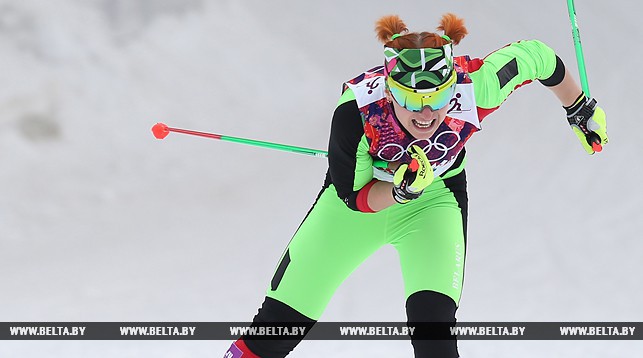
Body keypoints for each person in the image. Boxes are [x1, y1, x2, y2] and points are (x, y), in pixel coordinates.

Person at [223, 13, 608, 358]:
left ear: (453, 85)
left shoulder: (477, 87)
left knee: (434, 334)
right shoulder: (356, 112)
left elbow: (538, 57)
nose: (427, 114)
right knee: (275, 330)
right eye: (411, 100)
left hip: (434, 204)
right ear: (391, 91)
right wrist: (398, 191)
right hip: (358, 208)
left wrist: (577, 108)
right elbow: (353, 197)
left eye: (439, 98)